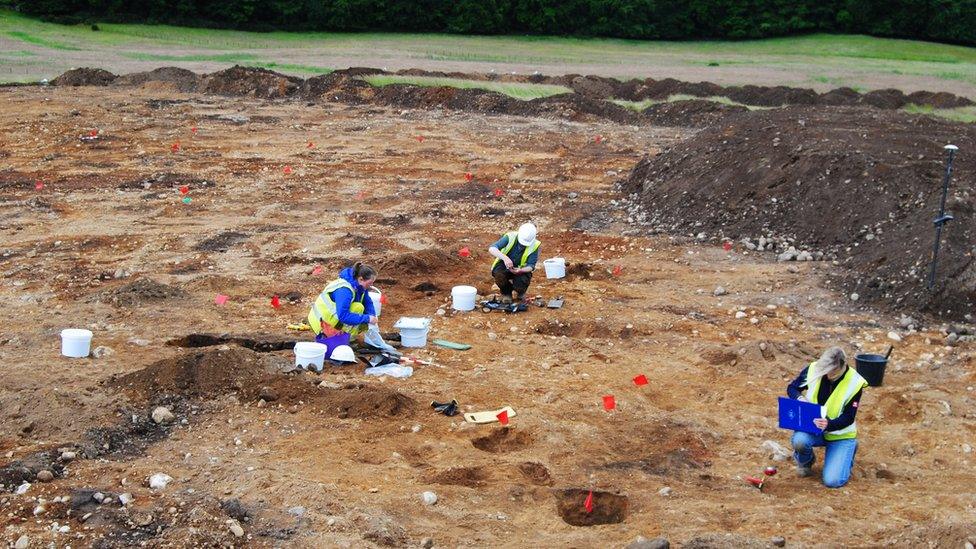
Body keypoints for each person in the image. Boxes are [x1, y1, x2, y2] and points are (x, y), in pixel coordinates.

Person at [786, 346, 868, 488]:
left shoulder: (855, 382)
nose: (827, 375)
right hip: (813, 429)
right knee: (799, 441)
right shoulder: (814, 369)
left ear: (842, 365)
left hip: (840, 435)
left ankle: (848, 450)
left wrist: (829, 425)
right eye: (825, 371)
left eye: (832, 372)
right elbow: (792, 388)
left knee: (833, 481)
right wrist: (799, 398)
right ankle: (806, 463)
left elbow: (849, 417)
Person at [307, 262, 378, 341]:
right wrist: (368, 318)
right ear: (361, 279)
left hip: (330, 318)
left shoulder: (359, 285)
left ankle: (345, 336)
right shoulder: (345, 290)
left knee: (362, 310)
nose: (371, 285)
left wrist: (372, 315)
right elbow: (343, 316)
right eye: (370, 283)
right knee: (358, 308)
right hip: (321, 323)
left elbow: (367, 301)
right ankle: (345, 339)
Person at [488, 222, 541, 304]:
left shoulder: (535, 245)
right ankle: (507, 293)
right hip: (504, 265)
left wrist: (521, 270)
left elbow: (531, 266)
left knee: (521, 283)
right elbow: (492, 248)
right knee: (499, 275)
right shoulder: (510, 237)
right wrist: (505, 258)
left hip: (521, 269)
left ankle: (520, 292)